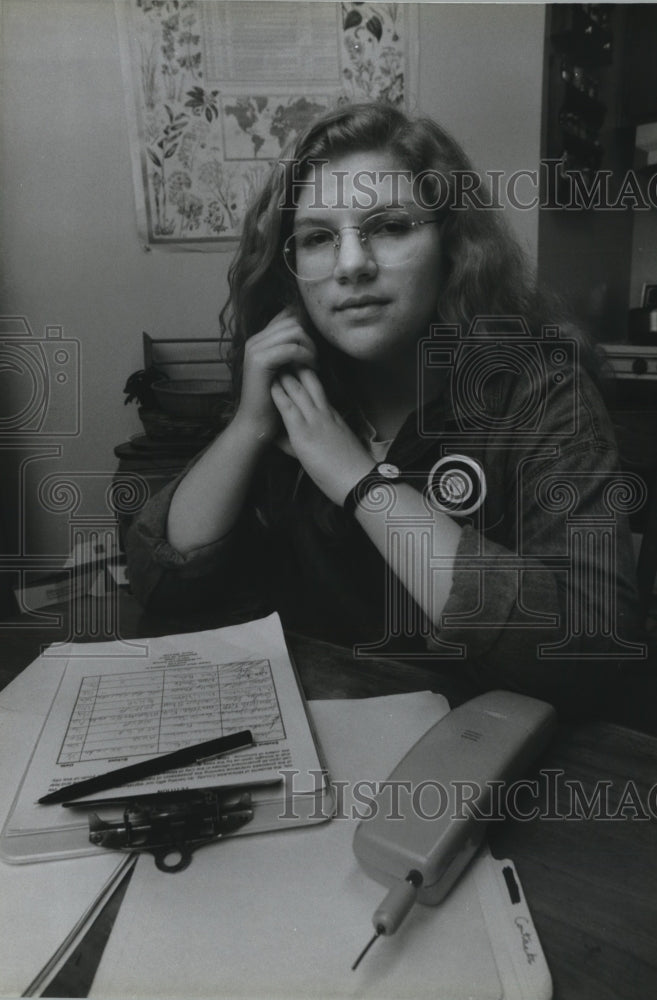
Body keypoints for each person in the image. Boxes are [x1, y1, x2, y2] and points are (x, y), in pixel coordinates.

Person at [126, 101, 642, 715]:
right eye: (318, 238)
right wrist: (248, 425)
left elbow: (589, 648)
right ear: (293, 273)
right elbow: (162, 582)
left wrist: (357, 479)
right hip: (322, 742)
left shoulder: (540, 390)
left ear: (453, 243)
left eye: (391, 227)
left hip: (488, 756)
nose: (351, 265)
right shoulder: (298, 387)